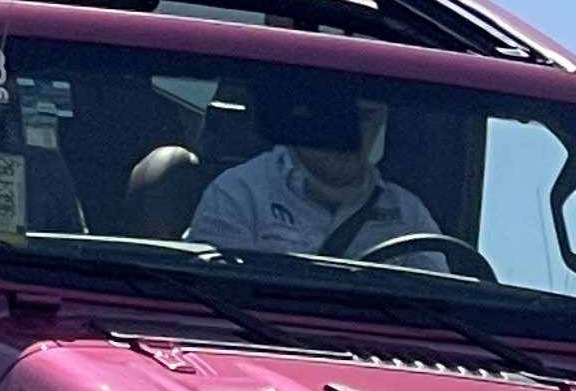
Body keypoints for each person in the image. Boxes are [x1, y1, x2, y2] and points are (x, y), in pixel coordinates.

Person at [188, 79, 439, 258]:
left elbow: (436, 303)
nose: (354, 134)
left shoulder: (409, 214)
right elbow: (213, 295)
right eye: (340, 118)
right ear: (306, 117)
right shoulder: (239, 193)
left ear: (382, 120)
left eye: (366, 117)